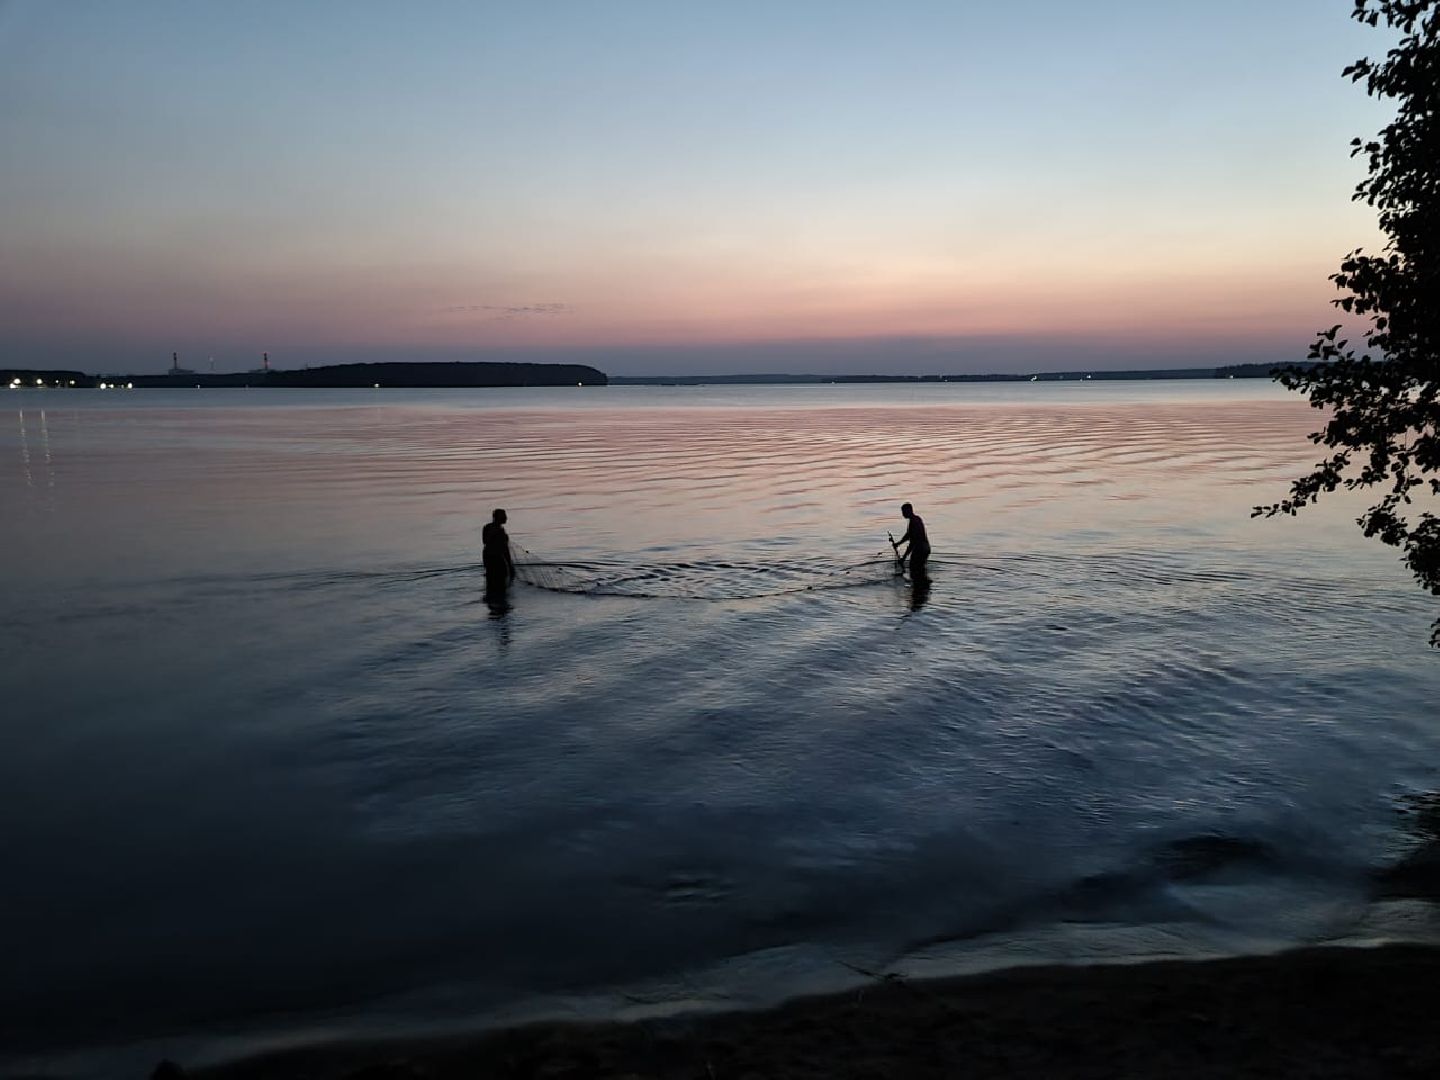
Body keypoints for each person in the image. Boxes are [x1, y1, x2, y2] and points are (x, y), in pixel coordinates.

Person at [482, 508, 516, 599]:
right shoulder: (499, 530)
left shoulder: (487, 527)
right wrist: (510, 565)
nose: (506, 518)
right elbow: (504, 549)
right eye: (504, 516)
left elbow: (485, 542)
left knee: (491, 583)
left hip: (488, 558)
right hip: (497, 560)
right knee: (501, 584)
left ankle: (492, 602)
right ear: (498, 517)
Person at [896, 502, 930, 579]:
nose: (903, 514)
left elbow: (912, 542)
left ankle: (918, 587)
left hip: (920, 549)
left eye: (904, 512)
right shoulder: (917, 519)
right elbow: (908, 534)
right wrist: (899, 543)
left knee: (914, 569)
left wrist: (904, 558)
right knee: (920, 569)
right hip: (926, 548)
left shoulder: (913, 522)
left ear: (909, 511)